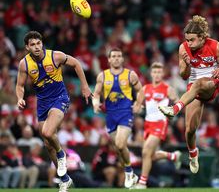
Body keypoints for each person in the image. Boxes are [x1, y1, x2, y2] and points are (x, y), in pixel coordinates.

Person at [15, 31, 92, 191]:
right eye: (32, 45)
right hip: (42, 102)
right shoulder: (25, 64)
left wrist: (84, 86)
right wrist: (20, 98)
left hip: (60, 98)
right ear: (27, 47)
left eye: (38, 43)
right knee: (47, 143)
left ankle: (61, 154)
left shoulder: (55, 56)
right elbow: (20, 85)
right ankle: (64, 179)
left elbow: (76, 63)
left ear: (42, 43)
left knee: (48, 132)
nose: (36, 47)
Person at [159, 15, 219, 173]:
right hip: (193, 88)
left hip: (212, 84)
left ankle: (174, 109)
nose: (188, 43)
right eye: (187, 40)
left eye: (192, 40)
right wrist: (188, 65)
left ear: (202, 37)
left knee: (198, 84)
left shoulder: (216, 46)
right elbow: (184, 76)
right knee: (190, 129)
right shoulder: (183, 48)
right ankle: (193, 153)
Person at [92, 48, 143, 188]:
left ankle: (127, 172)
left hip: (126, 113)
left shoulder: (130, 75)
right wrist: (95, 103)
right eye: (113, 56)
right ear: (108, 59)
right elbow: (96, 94)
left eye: (118, 56)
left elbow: (140, 90)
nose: (116, 58)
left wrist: (138, 103)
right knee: (119, 148)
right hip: (110, 116)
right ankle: (130, 171)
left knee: (120, 144)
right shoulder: (102, 76)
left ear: (122, 59)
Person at [133, 62, 182, 189]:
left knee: (145, 152)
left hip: (160, 123)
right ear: (151, 73)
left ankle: (142, 183)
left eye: (159, 72)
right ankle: (173, 156)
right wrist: (136, 108)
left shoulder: (168, 89)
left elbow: (178, 103)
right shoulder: (145, 88)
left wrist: (172, 112)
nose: (156, 74)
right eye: (154, 72)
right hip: (148, 124)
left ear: (163, 73)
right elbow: (138, 105)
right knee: (149, 155)